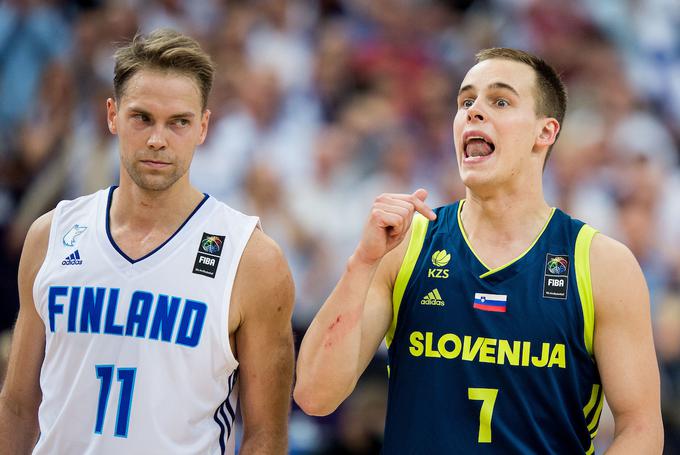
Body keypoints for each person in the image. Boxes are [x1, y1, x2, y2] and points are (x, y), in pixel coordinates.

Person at [294, 48, 663, 453]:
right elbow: (313, 395)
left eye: (500, 101)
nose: (473, 111)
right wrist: (361, 264)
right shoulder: (404, 246)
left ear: (545, 132)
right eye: (466, 101)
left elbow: (640, 428)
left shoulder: (600, 263)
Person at [0, 29, 295, 454]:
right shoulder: (52, 235)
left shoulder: (250, 257)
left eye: (179, 122)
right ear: (112, 115)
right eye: (142, 118)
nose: (158, 139)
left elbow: (266, 435)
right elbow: (17, 407)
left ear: (203, 127)